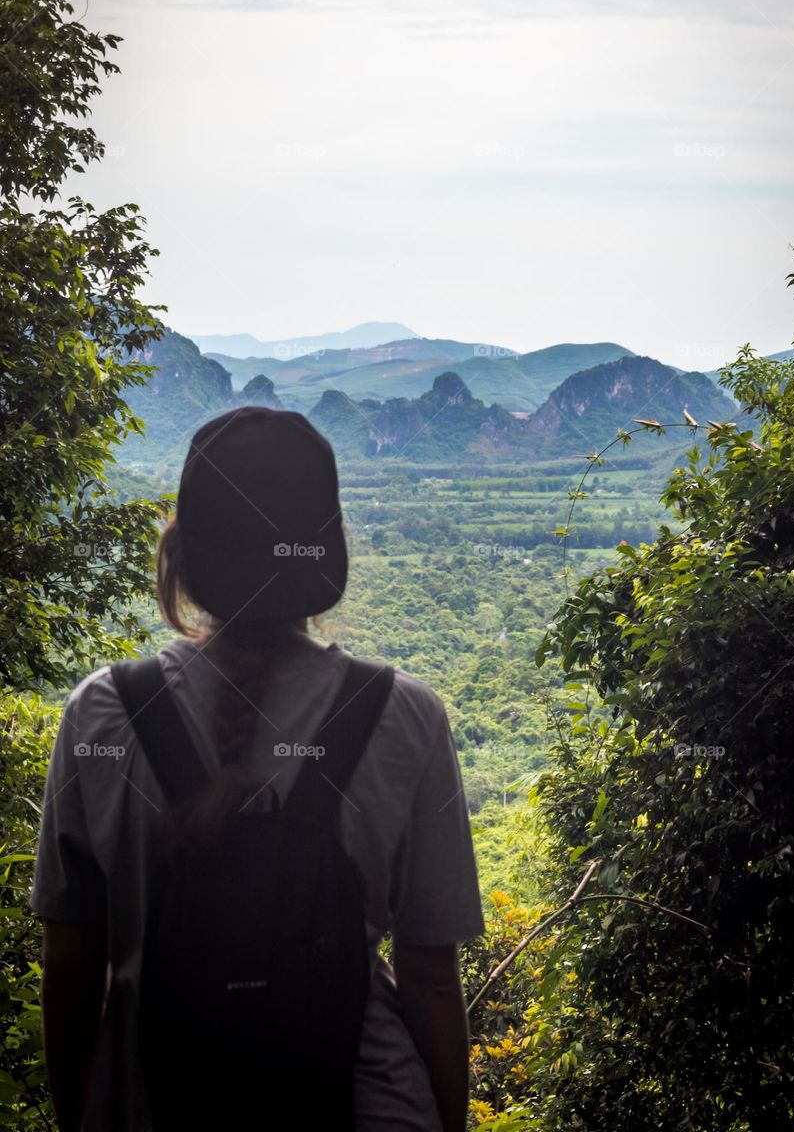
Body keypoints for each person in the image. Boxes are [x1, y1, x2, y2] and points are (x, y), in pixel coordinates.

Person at [29, 406, 485, 1132]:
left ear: (176, 557)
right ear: (327, 555)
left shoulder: (102, 713)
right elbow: (431, 978)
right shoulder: (404, 716)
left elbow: (71, 968)